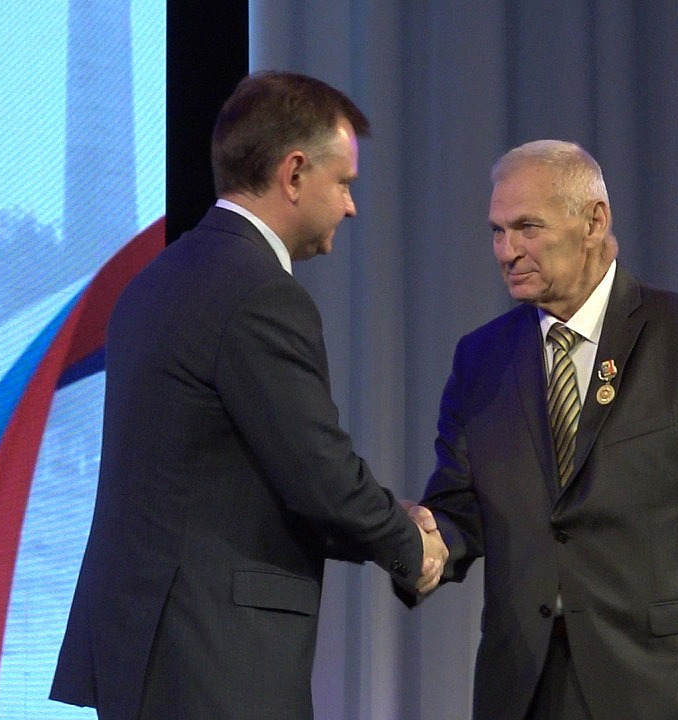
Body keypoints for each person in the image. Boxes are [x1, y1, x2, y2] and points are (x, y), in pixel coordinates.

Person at [50, 70, 447, 720]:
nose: (351, 206)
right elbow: (317, 475)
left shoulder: (156, 279)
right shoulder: (260, 293)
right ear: (294, 173)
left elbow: (234, 478)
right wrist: (409, 543)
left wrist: (384, 518)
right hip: (215, 658)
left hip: (143, 652)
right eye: (343, 182)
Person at [405, 140, 678, 719]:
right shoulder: (481, 359)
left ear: (594, 221)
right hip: (528, 695)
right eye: (497, 232)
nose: (507, 251)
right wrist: (420, 539)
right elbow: (459, 507)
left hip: (669, 690)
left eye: (527, 228)